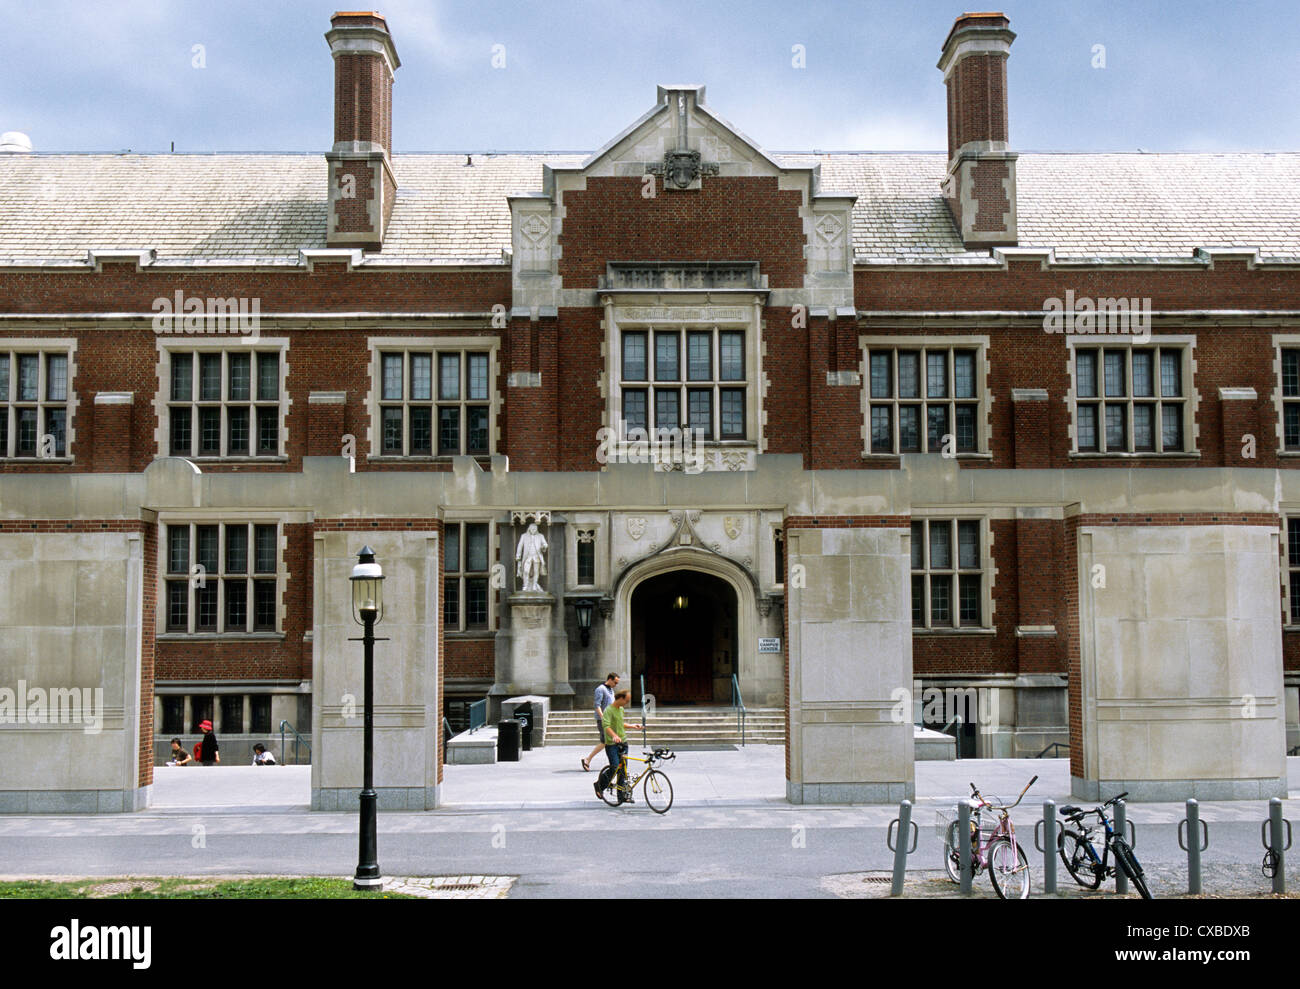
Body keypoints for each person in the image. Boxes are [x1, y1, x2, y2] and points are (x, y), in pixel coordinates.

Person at [595, 690, 641, 805]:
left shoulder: (621, 709)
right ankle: (599, 785)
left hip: (623, 742)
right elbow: (606, 726)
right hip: (611, 744)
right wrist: (614, 736)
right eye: (626, 700)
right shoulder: (608, 710)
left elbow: (620, 724)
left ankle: (622, 796)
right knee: (615, 766)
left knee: (623, 770)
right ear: (620, 698)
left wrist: (632, 726)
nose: (627, 702)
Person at [582, 672, 619, 772]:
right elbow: (597, 705)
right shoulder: (600, 689)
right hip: (603, 720)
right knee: (606, 741)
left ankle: (613, 763)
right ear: (610, 679)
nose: (616, 685)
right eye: (615, 682)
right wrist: (603, 718)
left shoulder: (611, 690)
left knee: (608, 741)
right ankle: (588, 759)